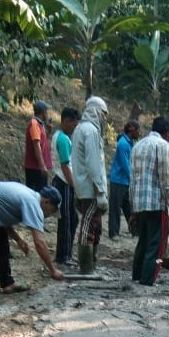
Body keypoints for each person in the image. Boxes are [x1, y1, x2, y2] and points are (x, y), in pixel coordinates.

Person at [0, 182, 64, 302]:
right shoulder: (33, 203)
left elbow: (2, 217)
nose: (50, 215)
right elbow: (39, 243)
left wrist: (18, 239)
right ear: (46, 202)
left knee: (1, 245)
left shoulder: (29, 198)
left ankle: (7, 283)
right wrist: (53, 270)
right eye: (52, 211)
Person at [130, 115, 169, 286]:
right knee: (156, 243)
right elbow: (166, 180)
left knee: (143, 240)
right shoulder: (163, 146)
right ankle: (148, 279)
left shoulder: (138, 146)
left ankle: (137, 274)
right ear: (167, 133)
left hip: (140, 202)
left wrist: (133, 208)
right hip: (156, 202)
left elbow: (133, 179)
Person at [71, 95, 109, 274]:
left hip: (84, 184)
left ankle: (92, 264)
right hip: (90, 187)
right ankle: (86, 267)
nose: (105, 119)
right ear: (95, 111)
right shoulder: (90, 131)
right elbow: (94, 163)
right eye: (104, 114)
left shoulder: (81, 129)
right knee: (88, 225)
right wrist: (100, 189)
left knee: (95, 224)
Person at [51, 106, 81, 268]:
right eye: (74, 125)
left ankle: (64, 253)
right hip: (64, 182)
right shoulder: (62, 139)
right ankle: (64, 256)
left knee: (70, 219)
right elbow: (65, 165)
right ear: (66, 121)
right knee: (67, 219)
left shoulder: (62, 137)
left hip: (63, 181)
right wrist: (74, 185)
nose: (75, 129)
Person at [108, 120, 140, 240]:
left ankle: (135, 231)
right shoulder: (123, 144)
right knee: (115, 207)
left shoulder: (130, 143)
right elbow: (125, 164)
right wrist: (133, 178)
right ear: (132, 129)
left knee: (129, 207)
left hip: (126, 181)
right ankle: (114, 233)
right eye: (138, 130)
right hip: (118, 180)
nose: (139, 133)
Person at [24, 100, 53, 191]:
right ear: (43, 112)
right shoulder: (34, 124)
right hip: (35, 168)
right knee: (36, 194)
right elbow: (36, 145)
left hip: (37, 167)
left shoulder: (39, 125)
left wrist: (48, 132)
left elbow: (42, 144)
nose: (47, 114)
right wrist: (42, 166)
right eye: (47, 111)